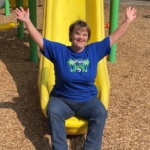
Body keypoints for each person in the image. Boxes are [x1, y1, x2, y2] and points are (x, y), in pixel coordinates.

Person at [15, 6, 136, 150]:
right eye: (77, 33)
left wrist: (127, 21)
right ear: (71, 36)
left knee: (100, 113)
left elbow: (113, 37)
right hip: (62, 99)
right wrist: (27, 21)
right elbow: (40, 40)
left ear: (88, 38)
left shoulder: (94, 51)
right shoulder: (60, 51)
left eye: (84, 35)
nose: (81, 37)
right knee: (53, 111)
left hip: (87, 99)